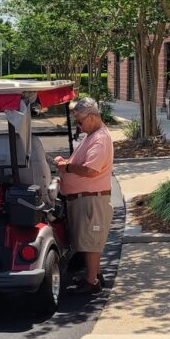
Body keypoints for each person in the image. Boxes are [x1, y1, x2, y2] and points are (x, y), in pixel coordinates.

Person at [54, 97, 114, 294]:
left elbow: (90, 170)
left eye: (80, 121)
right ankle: (93, 274)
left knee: (91, 241)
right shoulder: (93, 135)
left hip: (91, 198)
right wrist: (68, 163)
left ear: (92, 116)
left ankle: (92, 282)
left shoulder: (100, 139)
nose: (78, 126)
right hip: (85, 197)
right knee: (87, 239)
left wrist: (67, 166)